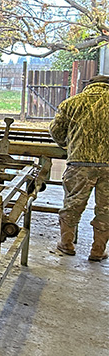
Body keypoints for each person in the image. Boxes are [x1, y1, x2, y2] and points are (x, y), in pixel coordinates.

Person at [49, 74, 109, 261]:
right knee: (106, 209)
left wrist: (68, 145)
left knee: (73, 204)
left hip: (79, 163)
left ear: (89, 86)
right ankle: (97, 250)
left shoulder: (71, 103)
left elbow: (56, 131)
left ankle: (67, 243)